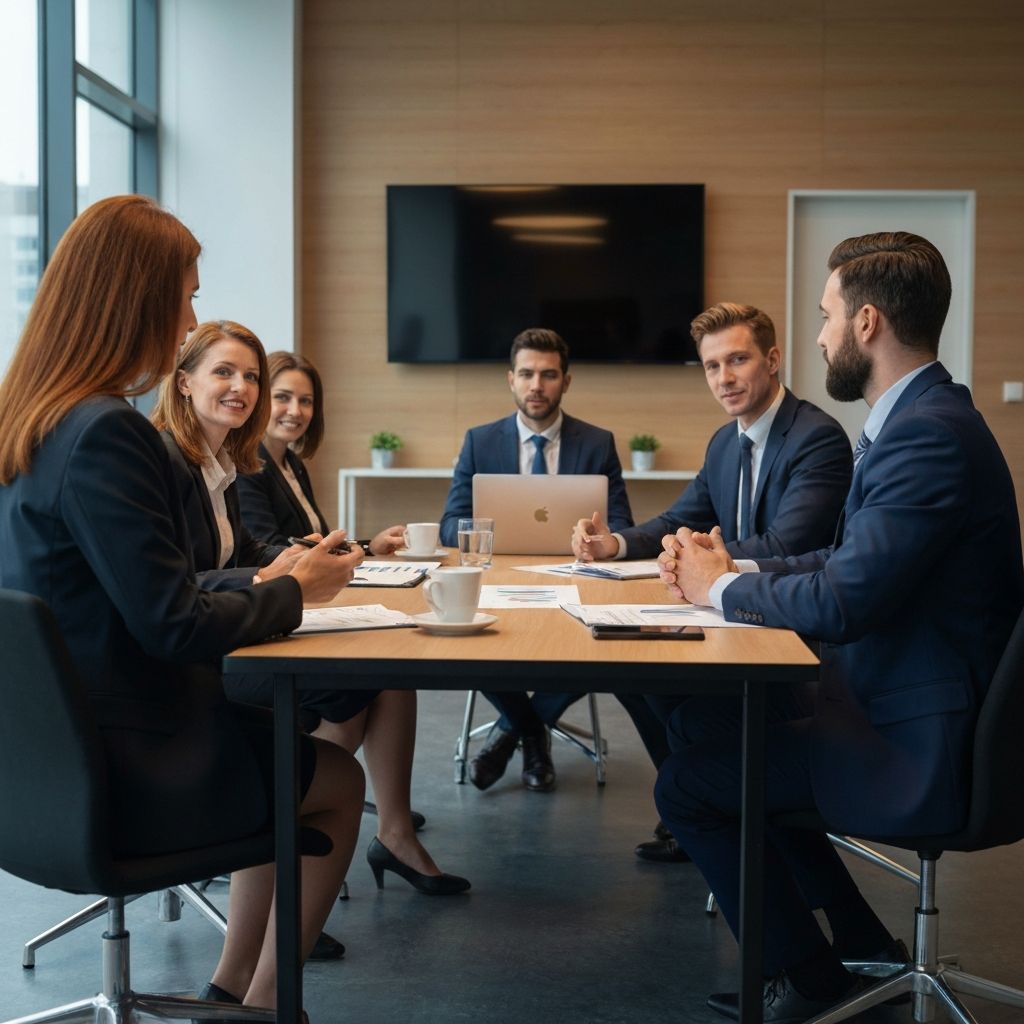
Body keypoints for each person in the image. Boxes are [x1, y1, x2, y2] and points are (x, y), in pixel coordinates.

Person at [0, 195, 365, 1018]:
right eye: (188, 295)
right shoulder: (107, 432)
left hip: (38, 773)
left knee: (270, 746)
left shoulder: (28, 423)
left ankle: (233, 989)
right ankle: (271, 1007)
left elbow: (141, 589)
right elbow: (171, 625)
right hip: (126, 774)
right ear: (139, 298)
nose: (190, 318)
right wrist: (290, 593)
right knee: (335, 778)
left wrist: (265, 587)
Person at [655, 231, 1024, 1023]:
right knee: (709, 721)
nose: (819, 335)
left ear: (865, 324)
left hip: (921, 740)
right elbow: (842, 558)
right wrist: (741, 574)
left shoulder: (925, 433)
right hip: (906, 700)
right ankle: (857, 940)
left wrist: (719, 591)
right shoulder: (924, 417)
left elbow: (845, 602)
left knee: (688, 785)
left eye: (824, 316)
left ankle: (815, 978)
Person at [153, 327, 469, 898]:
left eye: (251, 377)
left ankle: (379, 832)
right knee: (357, 684)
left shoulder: (224, 462)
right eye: (226, 373)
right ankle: (295, 835)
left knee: (383, 676)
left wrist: (337, 554)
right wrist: (277, 577)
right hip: (205, 657)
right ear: (183, 382)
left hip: (242, 630)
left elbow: (251, 551)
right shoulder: (173, 464)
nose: (242, 387)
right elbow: (183, 581)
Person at [571, 302, 852, 862]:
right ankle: (699, 804)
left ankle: (712, 804)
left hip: (791, 632)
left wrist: (699, 568)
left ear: (772, 360)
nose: (723, 378)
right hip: (731, 612)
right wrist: (617, 544)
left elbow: (786, 547)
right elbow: (681, 517)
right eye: (711, 366)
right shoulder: (726, 442)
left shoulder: (817, 437)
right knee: (641, 678)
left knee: (676, 695)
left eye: (738, 360)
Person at [439, 327, 634, 792]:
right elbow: (450, 523)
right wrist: (487, 532)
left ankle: (513, 731)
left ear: (566, 381)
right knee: (469, 643)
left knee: (601, 645)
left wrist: (600, 537)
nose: (536, 385)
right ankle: (531, 731)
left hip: (576, 578)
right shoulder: (479, 441)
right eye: (527, 374)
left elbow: (623, 523)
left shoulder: (597, 443)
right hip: (497, 580)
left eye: (548, 375)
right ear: (511, 379)